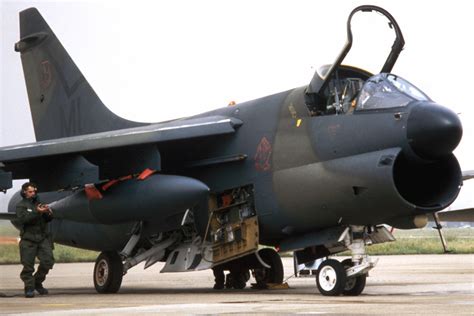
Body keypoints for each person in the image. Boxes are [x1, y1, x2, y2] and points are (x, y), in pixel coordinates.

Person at [15, 182, 54, 298]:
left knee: (48, 262)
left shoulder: (39, 204)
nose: (33, 193)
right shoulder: (21, 206)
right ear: (24, 192)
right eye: (30, 191)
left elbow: (47, 219)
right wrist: (37, 212)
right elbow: (23, 220)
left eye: (34, 191)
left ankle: (37, 282)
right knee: (28, 266)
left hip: (42, 239)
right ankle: (29, 287)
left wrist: (48, 213)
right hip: (28, 240)